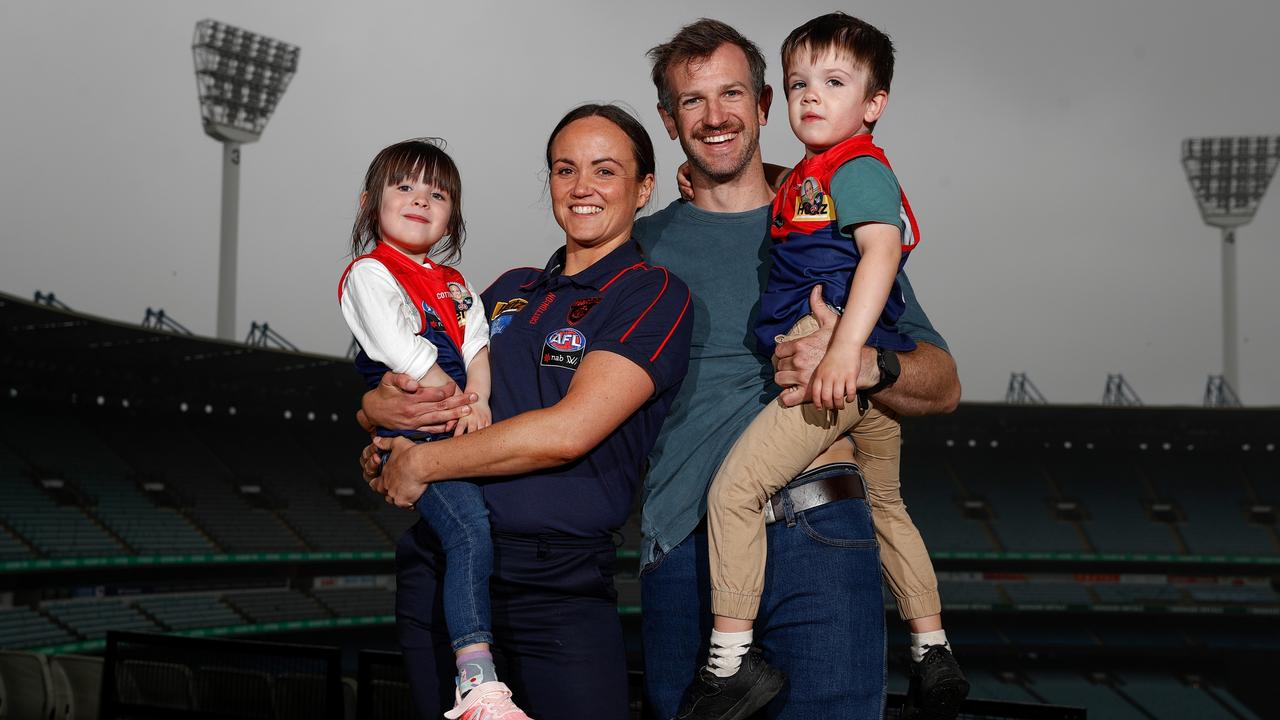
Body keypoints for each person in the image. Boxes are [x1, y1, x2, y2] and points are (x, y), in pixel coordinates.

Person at [635, 19, 962, 720]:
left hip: (822, 531)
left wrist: (860, 359)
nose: (715, 115)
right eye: (693, 101)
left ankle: (930, 650)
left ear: (760, 106)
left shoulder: (830, 224)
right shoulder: (640, 245)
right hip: (685, 543)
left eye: (732, 94)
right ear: (669, 121)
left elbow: (942, 382)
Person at [359, 104, 692, 720]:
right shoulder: (505, 288)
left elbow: (567, 433)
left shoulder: (653, 294)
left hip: (556, 587)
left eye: (605, 170)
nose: (582, 187)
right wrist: (375, 412)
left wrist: (421, 461)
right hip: (445, 567)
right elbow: (414, 379)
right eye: (565, 169)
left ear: (644, 187)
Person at [338, 138, 530, 719]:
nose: (421, 199)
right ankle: (475, 680)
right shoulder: (369, 273)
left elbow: (477, 348)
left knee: (482, 531)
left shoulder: (454, 282)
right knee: (468, 531)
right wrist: (455, 403)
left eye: (437, 192)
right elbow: (403, 352)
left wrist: (479, 400)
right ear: (372, 203)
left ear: (453, 215)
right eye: (405, 186)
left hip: (455, 419)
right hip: (422, 425)